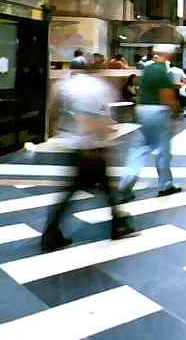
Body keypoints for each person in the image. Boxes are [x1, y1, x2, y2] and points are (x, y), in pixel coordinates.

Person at [42, 71, 136, 251]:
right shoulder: (96, 88)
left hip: (76, 144)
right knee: (93, 189)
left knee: (90, 189)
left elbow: (54, 111)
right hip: (90, 147)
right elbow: (89, 121)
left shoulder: (66, 85)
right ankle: (118, 225)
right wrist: (107, 130)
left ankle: (118, 223)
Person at [118, 51, 182, 199]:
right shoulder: (162, 72)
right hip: (158, 112)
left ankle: (125, 186)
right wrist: (176, 112)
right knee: (163, 151)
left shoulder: (147, 70)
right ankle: (166, 185)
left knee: (138, 150)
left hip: (143, 111)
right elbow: (168, 97)